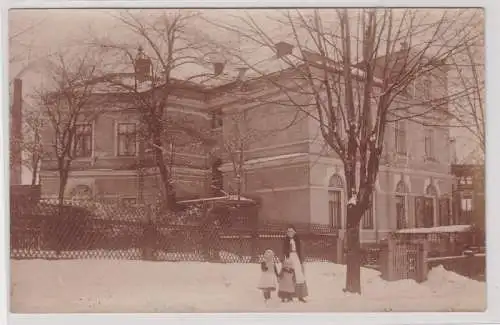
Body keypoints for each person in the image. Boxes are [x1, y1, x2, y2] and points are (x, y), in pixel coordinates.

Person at [283, 225, 308, 302]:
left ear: (294, 232)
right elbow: (283, 251)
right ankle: (289, 296)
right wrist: (284, 259)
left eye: (291, 231)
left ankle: (300, 296)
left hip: (296, 258)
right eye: (288, 231)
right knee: (289, 276)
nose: (290, 233)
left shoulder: (298, 241)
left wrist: (302, 260)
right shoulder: (285, 241)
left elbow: (301, 251)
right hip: (288, 259)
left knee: (299, 275)